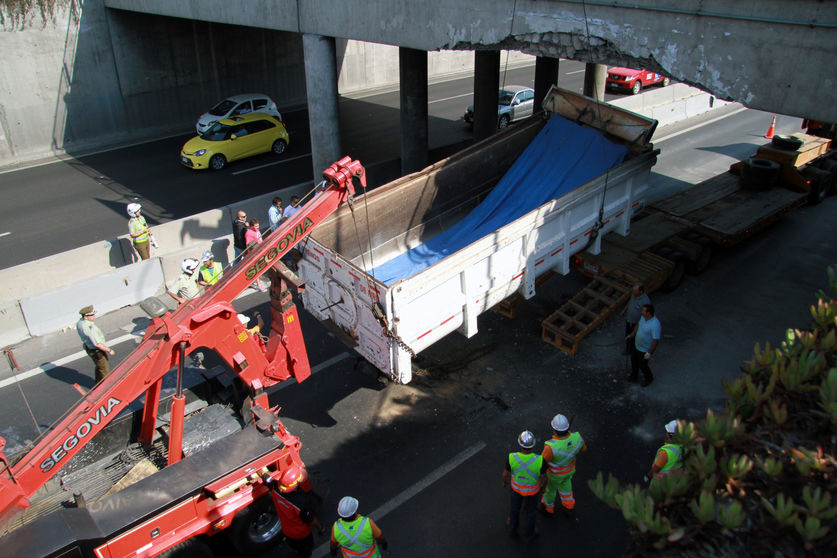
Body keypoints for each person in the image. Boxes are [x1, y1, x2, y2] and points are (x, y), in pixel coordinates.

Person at [263, 466, 324, 558]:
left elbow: (266, 478)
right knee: (305, 551)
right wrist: (320, 528)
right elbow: (310, 519)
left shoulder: (275, 487)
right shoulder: (299, 502)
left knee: (295, 547)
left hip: (287, 531)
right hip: (301, 535)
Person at [503, 430, 547, 542]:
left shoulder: (512, 457)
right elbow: (544, 478)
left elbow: (505, 474)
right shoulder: (540, 460)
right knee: (530, 513)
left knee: (514, 509)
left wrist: (505, 482)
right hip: (532, 492)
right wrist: (543, 488)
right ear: (533, 445)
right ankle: (529, 534)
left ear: (520, 444)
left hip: (516, 490)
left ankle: (512, 528)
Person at [540, 413, 587, 516]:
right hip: (569, 472)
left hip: (553, 476)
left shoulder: (551, 447)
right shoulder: (578, 437)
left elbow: (542, 463)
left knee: (550, 491)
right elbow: (583, 449)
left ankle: (548, 508)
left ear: (554, 429)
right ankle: (569, 506)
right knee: (566, 490)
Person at [76, 305, 115, 383]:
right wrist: (109, 350)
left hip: (89, 347)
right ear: (85, 317)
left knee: (99, 366)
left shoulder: (80, 322)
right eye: (91, 315)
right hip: (96, 351)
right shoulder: (89, 327)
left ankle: (98, 383)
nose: (94, 316)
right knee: (104, 370)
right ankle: (107, 387)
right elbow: (97, 344)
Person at [627, 303, 661, 386]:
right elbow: (638, 325)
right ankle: (634, 376)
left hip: (644, 349)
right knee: (634, 361)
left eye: (643, 311)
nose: (641, 312)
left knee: (643, 365)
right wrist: (632, 334)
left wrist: (649, 353)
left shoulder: (655, 325)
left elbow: (656, 340)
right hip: (637, 345)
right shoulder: (643, 317)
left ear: (648, 313)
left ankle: (649, 378)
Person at [645, 420, 684, 485]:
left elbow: (656, 468)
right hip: (676, 482)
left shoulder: (665, 451)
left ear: (668, 435)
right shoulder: (684, 446)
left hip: (660, 484)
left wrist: (648, 477)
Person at [619, 283, 650, 355]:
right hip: (629, 320)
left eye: (635, 291)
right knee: (628, 335)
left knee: (634, 337)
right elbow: (630, 302)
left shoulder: (645, 302)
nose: (633, 292)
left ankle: (635, 351)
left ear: (641, 292)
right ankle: (628, 349)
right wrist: (624, 310)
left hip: (636, 323)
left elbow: (646, 316)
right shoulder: (634, 295)